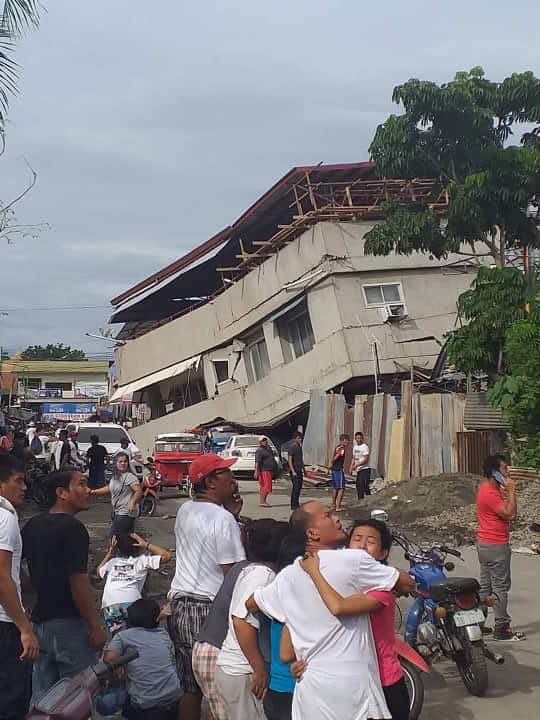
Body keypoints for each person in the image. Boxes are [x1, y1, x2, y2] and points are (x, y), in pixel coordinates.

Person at [246, 501, 414, 720]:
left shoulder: (288, 577)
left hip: (311, 691)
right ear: (313, 533)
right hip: (352, 691)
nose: (336, 518)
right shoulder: (354, 560)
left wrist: (299, 606)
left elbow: (251, 605)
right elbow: (407, 584)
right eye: (328, 515)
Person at [300, 518, 410, 720]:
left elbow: (339, 607)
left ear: (383, 553)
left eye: (370, 541)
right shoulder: (340, 584)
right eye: (357, 539)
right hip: (350, 682)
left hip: (383, 680)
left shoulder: (381, 592)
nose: (361, 545)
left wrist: (314, 571)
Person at [168, 453, 246, 720]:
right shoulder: (221, 519)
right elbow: (232, 573)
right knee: (218, 688)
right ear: (211, 482)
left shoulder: (186, 509)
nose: (233, 481)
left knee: (191, 687)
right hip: (207, 609)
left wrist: (232, 516)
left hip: (181, 605)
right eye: (227, 474)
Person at [22, 469, 108, 704]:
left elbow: (21, 570)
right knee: (78, 699)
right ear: (61, 493)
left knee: (43, 698)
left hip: (39, 624)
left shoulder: (32, 525)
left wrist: (29, 602)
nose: (88, 490)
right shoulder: (73, 529)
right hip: (69, 626)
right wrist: (94, 626)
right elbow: (77, 581)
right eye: (81, 484)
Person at [215, 520, 289, 720]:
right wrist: (260, 670)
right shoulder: (263, 576)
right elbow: (242, 622)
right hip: (243, 670)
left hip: (238, 669)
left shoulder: (253, 570)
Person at [0, 455, 39, 720]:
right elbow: (1, 575)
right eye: (18, 481)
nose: (24, 487)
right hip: (5, 625)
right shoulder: (5, 518)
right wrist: (24, 627)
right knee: (13, 701)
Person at [104, 599, 182, 720]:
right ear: (157, 619)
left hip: (146, 705)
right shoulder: (163, 634)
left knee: (110, 701)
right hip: (174, 697)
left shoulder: (123, 636)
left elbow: (109, 659)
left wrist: (117, 676)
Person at [476, 454, 524, 641]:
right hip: (495, 545)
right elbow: (509, 513)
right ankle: (502, 627)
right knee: (500, 587)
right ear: (494, 472)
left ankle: (476, 623)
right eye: (505, 469)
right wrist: (511, 491)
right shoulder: (490, 492)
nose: (508, 473)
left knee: (486, 587)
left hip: (486, 544)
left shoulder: (487, 489)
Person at [98, 532, 171, 635]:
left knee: (120, 638)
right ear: (138, 547)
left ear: (118, 548)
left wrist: (110, 553)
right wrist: (146, 544)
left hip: (110, 603)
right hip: (132, 602)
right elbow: (166, 556)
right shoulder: (141, 561)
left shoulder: (112, 562)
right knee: (137, 637)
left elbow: (99, 570)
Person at [91, 451, 142, 535]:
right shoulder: (115, 476)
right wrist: (95, 492)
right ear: (116, 463)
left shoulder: (129, 477)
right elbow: (109, 488)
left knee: (114, 536)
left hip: (126, 512)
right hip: (117, 511)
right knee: (125, 537)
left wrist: (132, 502)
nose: (123, 463)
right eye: (120, 462)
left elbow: (138, 491)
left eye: (125, 461)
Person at [330, 433, 350, 512]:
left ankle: (333, 505)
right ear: (343, 440)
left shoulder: (337, 447)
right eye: (347, 441)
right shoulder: (341, 449)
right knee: (341, 488)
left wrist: (331, 463)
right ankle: (338, 506)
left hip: (334, 469)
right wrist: (333, 460)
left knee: (335, 488)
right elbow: (335, 457)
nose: (347, 443)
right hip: (338, 470)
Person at [255, 435, 276, 508]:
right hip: (264, 470)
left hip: (269, 469)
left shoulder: (268, 448)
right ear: (260, 442)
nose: (265, 442)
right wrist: (256, 471)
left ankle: (262, 501)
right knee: (266, 486)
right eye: (263, 441)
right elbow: (257, 462)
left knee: (265, 486)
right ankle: (263, 501)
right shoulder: (259, 450)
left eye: (265, 440)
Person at [351, 432, 371, 500]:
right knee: (358, 485)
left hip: (365, 469)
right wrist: (351, 466)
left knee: (364, 485)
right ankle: (360, 499)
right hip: (358, 469)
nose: (358, 439)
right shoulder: (355, 447)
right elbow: (353, 458)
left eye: (360, 438)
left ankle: (369, 498)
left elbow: (366, 459)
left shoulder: (365, 447)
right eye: (357, 438)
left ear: (362, 438)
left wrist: (356, 465)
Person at [287, 432, 304, 510]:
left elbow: (301, 459)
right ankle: (293, 505)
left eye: (301, 438)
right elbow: (290, 460)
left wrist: (304, 470)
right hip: (294, 470)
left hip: (299, 469)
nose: (300, 439)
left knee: (299, 487)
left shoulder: (299, 447)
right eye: (299, 438)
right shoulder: (292, 447)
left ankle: (296, 503)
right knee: (296, 488)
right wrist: (293, 471)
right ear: (295, 439)